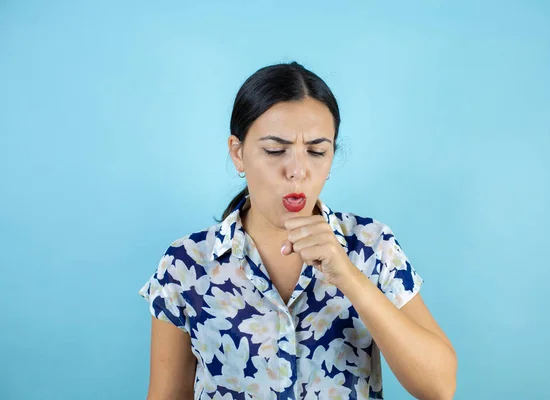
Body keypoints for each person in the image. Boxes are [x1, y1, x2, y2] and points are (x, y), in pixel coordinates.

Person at [139, 61, 457, 400]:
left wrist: (349, 277)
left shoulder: (371, 245)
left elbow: (439, 387)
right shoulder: (186, 263)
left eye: (317, 151)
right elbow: (167, 394)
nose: (297, 171)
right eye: (275, 150)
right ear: (238, 153)